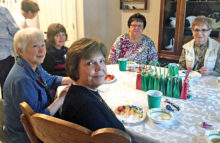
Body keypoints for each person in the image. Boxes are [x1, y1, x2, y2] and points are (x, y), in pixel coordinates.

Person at [3, 27, 72, 143]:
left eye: (43, 45)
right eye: (35, 46)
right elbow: (36, 121)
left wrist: (74, 79)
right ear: (21, 51)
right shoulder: (22, 79)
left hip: (38, 126)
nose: (42, 50)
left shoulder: (32, 64)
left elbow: (50, 80)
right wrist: (60, 100)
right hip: (27, 137)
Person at [61, 38, 125, 132]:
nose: (99, 68)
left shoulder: (83, 91)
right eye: (90, 63)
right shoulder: (85, 107)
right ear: (75, 70)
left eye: (101, 61)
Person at [0, 6, 19, 97]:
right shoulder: (2, 10)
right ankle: (7, 109)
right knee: (7, 87)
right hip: (4, 54)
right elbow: (14, 31)